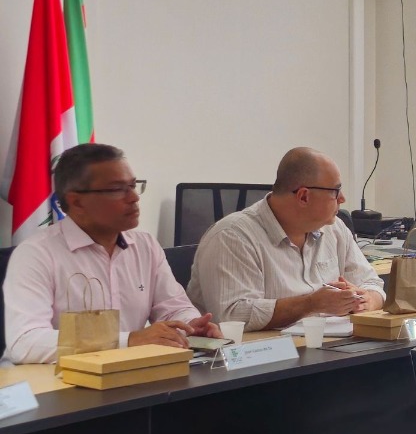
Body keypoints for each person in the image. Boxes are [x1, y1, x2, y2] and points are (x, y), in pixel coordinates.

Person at [3, 144, 220, 364]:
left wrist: (190, 326)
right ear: (77, 201)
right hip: (51, 384)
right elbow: (25, 342)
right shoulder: (36, 254)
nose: (134, 197)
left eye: (134, 185)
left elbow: (173, 307)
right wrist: (130, 340)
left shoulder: (145, 246)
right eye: (117, 189)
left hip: (127, 376)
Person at [188, 147, 385, 331]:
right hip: (260, 359)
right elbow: (232, 315)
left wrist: (366, 299)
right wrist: (311, 304)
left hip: (332, 351)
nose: (342, 198)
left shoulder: (334, 228)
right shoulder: (232, 236)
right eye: (335, 191)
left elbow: (371, 282)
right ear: (303, 197)